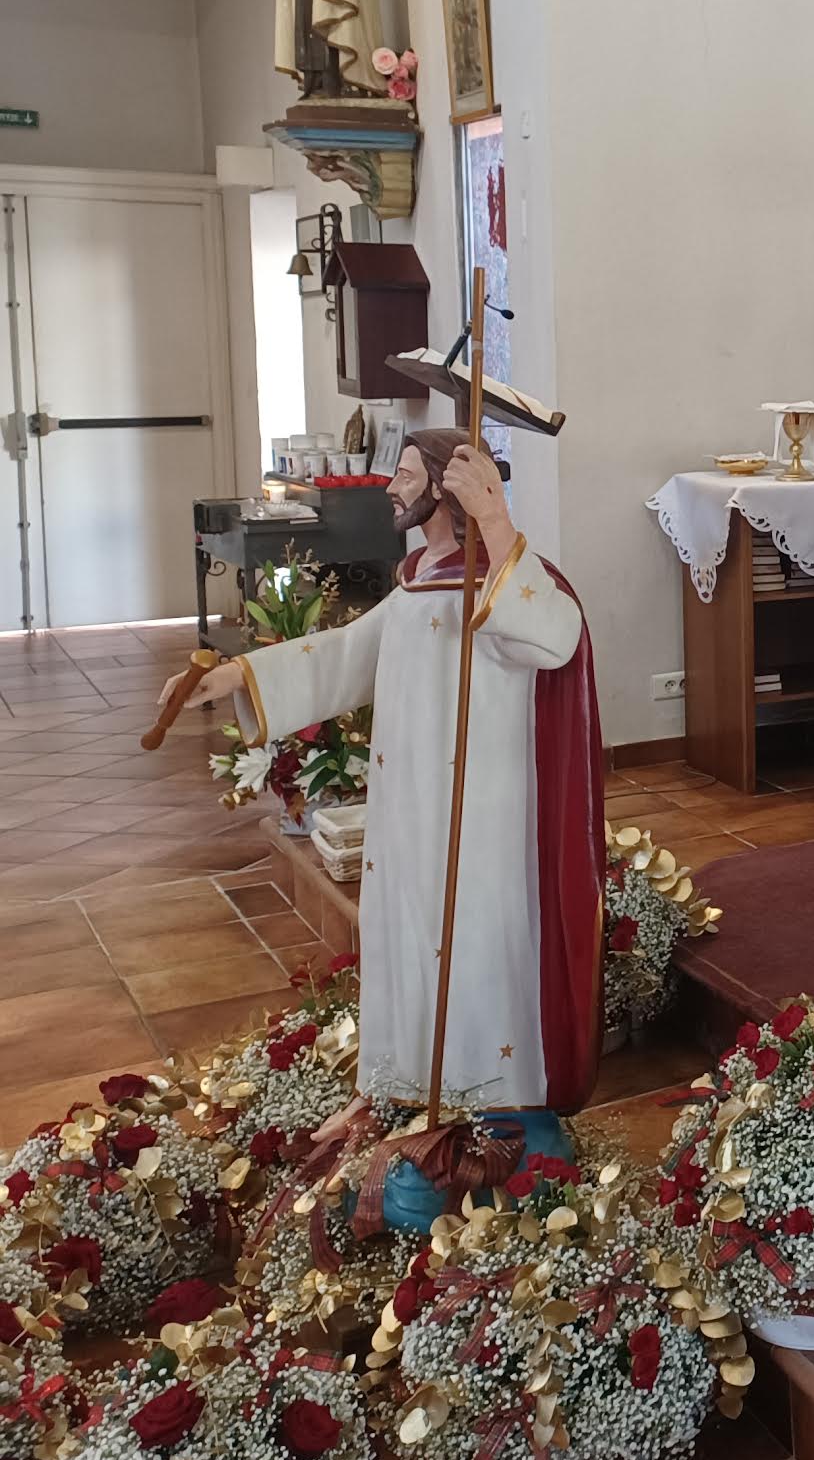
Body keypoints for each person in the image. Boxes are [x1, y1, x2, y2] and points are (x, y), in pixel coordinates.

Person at [165, 429, 604, 1133]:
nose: (391, 488)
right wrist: (237, 673)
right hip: (410, 811)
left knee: (473, 944)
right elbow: (347, 655)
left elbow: (554, 636)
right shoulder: (419, 577)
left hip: (480, 815)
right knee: (410, 935)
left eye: (404, 475)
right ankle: (409, 1078)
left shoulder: (501, 579)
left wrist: (496, 521)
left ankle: (487, 1096)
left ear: (444, 490)